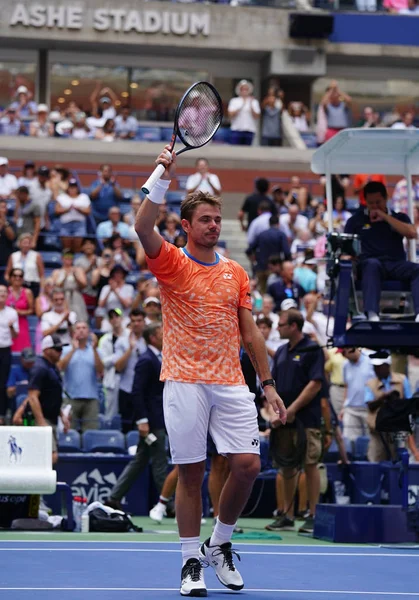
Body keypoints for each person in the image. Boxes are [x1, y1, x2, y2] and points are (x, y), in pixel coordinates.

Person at [134, 146, 286, 597]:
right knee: (191, 473)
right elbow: (142, 225)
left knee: (247, 464)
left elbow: (251, 333)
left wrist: (269, 385)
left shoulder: (236, 272)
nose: (214, 225)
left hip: (230, 382)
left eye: (218, 219)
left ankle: (219, 543)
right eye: (205, 219)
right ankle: (189, 562)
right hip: (182, 378)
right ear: (186, 226)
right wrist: (161, 171)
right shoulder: (171, 262)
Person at [270, 309, 324, 535]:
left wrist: (292, 409)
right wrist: (275, 411)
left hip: (307, 418)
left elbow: (315, 384)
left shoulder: (313, 349)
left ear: (294, 326)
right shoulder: (281, 351)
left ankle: (313, 516)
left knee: (310, 465)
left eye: (281, 324)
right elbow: (272, 383)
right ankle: (287, 515)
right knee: (286, 465)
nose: (277, 328)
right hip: (284, 420)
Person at [106, 323, 168, 510]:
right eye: (162, 333)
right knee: (160, 462)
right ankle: (170, 504)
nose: (166, 336)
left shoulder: (158, 357)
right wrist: (142, 421)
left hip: (157, 418)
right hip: (151, 421)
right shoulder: (146, 360)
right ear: (153, 338)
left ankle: (114, 497)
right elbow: (137, 392)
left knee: (140, 460)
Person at [344, 181, 419, 322]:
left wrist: (385, 217)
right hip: (369, 265)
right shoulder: (355, 221)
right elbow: (346, 247)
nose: (374, 206)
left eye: (378, 202)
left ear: (386, 199)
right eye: (371, 203)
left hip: (395, 264)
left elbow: (411, 233)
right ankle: (372, 314)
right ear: (365, 201)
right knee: (372, 264)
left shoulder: (399, 218)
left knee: (417, 269)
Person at [12, 334, 70, 464]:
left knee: (48, 456)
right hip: (43, 419)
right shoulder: (40, 368)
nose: (60, 352)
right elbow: (32, 397)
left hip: (51, 418)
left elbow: (51, 394)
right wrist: (42, 424)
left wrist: (62, 416)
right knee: (51, 456)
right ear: (47, 350)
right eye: (57, 349)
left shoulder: (52, 367)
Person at [365, 352, 416, 462]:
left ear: (387, 366)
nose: (377, 370)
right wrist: (383, 397)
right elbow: (370, 405)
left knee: (398, 460)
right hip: (378, 431)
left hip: (397, 430)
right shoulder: (370, 383)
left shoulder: (401, 380)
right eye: (375, 367)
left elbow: (409, 402)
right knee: (375, 459)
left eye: (379, 367)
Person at [58, 321, 103, 433]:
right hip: (70, 397)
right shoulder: (66, 350)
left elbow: (101, 371)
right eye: (78, 328)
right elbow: (60, 367)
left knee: (91, 433)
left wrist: (94, 349)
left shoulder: (96, 351)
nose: (81, 330)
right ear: (73, 332)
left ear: (88, 332)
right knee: (68, 431)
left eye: (84, 328)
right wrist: (73, 349)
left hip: (91, 397)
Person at [114, 308, 147, 432]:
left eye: (139, 320)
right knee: (126, 428)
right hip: (127, 390)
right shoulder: (122, 341)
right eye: (133, 321)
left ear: (144, 322)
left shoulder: (151, 341)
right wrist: (130, 349)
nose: (136, 324)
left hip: (145, 391)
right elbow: (118, 367)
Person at [98, 308, 128, 420]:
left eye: (117, 316)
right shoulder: (105, 340)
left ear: (122, 318)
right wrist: (119, 356)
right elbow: (103, 362)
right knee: (110, 412)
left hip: (128, 377)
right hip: (112, 379)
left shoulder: (130, 335)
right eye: (111, 317)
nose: (114, 319)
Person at [340, 347, 375, 441]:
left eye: (344, 352)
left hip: (369, 408)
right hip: (351, 408)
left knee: (372, 441)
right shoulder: (345, 365)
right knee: (349, 441)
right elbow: (347, 386)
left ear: (351, 349)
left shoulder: (371, 359)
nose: (343, 355)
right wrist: (343, 407)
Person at [55, 178, 92, 253]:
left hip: (79, 224)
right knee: (66, 247)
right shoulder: (62, 197)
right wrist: (68, 209)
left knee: (77, 246)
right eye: (71, 187)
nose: (72, 189)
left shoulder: (84, 197)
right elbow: (57, 210)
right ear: (68, 188)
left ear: (77, 188)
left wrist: (78, 209)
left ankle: (75, 262)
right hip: (66, 224)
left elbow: (88, 211)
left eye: (74, 187)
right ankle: (67, 261)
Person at [51, 250, 88, 322]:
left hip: (76, 295)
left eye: (71, 256)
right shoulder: (57, 272)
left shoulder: (78, 270)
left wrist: (75, 276)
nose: (68, 258)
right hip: (62, 297)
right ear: (62, 258)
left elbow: (84, 285)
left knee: (79, 317)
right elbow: (55, 287)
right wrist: (64, 278)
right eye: (66, 256)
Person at [0, 285, 19, 424]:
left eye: (4, 292)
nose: (2, 294)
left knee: (3, 383)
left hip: (5, 350)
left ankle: (1, 414)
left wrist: (11, 326)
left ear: (7, 295)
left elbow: (15, 335)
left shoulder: (12, 313)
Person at [6, 232, 44, 298]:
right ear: (20, 244)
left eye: (28, 243)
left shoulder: (36, 256)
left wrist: (42, 291)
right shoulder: (13, 256)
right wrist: (12, 284)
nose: (26, 245)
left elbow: (42, 275)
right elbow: (7, 274)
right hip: (16, 286)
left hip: (33, 286)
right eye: (24, 243)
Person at [6, 268, 33, 352]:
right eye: (15, 276)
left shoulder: (27, 292)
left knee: (23, 350)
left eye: (20, 276)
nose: (17, 278)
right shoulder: (4, 291)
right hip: (6, 323)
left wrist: (19, 312)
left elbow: (31, 310)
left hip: (22, 324)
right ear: (10, 278)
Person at [228, 80, 260, 146]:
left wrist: (251, 105)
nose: (244, 91)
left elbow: (257, 116)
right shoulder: (234, 101)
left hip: (249, 131)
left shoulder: (254, 101)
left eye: (246, 89)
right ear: (239, 90)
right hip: (236, 130)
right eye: (242, 89)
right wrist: (242, 104)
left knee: (247, 152)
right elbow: (230, 115)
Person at [6, 346, 36, 415]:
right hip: (19, 401)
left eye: (31, 362)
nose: (30, 364)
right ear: (22, 359)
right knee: (22, 398)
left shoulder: (37, 370)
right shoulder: (15, 370)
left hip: (35, 399)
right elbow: (9, 392)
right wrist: (19, 387)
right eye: (27, 361)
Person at [0, 200, 16, 284]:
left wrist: (4, 221)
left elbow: (12, 237)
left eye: (4, 207)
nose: (3, 209)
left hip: (6, 262)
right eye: (1, 207)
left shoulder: (10, 223)